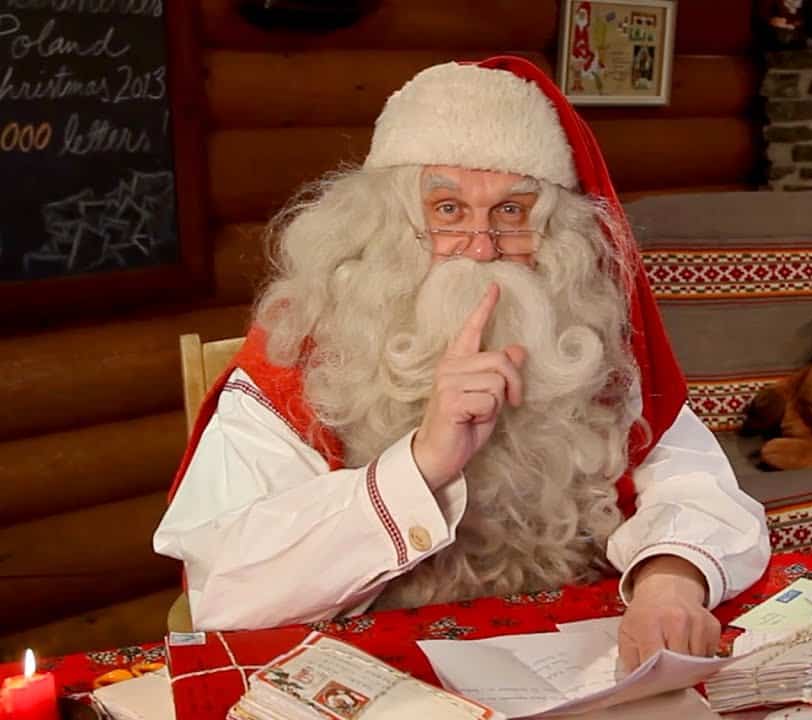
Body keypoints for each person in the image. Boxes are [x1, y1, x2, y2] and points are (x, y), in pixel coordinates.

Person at [153, 56, 770, 670]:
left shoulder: (583, 340)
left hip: (576, 665)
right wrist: (422, 463)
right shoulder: (302, 355)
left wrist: (670, 581)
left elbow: (699, 487)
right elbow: (224, 589)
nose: (481, 247)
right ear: (386, 224)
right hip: (376, 676)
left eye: (511, 212)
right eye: (448, 210)